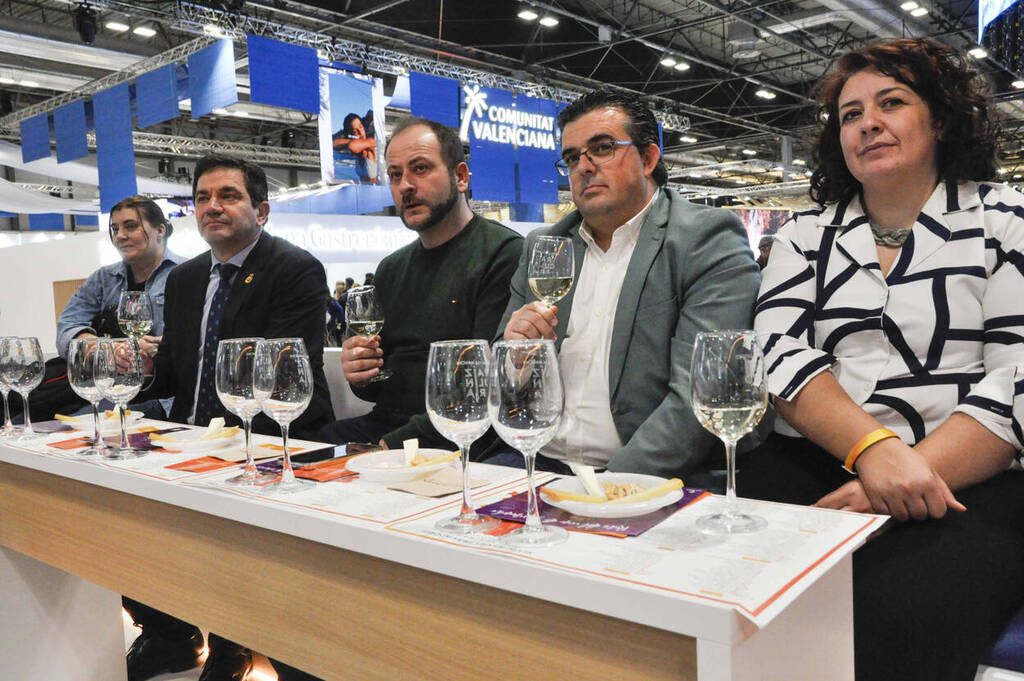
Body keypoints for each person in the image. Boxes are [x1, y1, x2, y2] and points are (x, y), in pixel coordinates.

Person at [739, 38, 1024, 681]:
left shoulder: (1006, 221)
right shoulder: (805, 235)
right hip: (813, 457)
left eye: (891, 103)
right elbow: (778, 352)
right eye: (850, 114)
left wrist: (897, 477)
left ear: (941, 119)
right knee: (729, 582)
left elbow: (1016, 380)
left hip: (966, 477)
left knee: (900, 618)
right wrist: (873, 451)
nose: (868, 122)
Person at [490, 89, 763, 486]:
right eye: (571, 158)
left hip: (651, 476)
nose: (583, 167)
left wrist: (606, 490)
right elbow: (500, 380)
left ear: (648, 159)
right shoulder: (545, 248)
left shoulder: (704, 238)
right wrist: (516, 360)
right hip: (536, 461)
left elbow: (700, 397)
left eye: (602, 149)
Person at [129, 153, 332, 681]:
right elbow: (177, 373)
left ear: (261, 210)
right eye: (202, 198)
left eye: (228, 196)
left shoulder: (294, 268)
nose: (212, 206)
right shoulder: (185, 279)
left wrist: (213, 448)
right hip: (191, 438)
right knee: (122, 511)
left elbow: (285, 374)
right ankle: (172, 635)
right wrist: (144, 368)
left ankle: (234, 643)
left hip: (272, 438)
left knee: (239, 543)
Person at [318, 117, 522, 450]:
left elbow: (483, 388)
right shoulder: (391, 269)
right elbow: (379, 390)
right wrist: (361, 374)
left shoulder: (503, 254)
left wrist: (392, 445)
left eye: (421, 169)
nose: (405, 186)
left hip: (464, 436)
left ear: (461, 177)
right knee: (299, 453)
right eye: (395, 175)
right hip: (389, 426)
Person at [52, 195, 184, 418]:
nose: (120, 235)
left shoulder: (186, 274)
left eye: (131, 226)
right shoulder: (104, 278)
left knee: (81, 427)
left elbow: (190, 344)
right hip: (103, 386)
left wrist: (153, 350)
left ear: (160, 230)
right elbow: (67, 326)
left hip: (161, 396)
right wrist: (107, 350)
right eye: (115, 229)